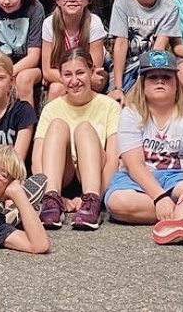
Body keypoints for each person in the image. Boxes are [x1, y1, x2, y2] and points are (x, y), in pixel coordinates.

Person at [106, 50, 183, 240]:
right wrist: (160, 198)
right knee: (117, 202)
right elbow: (134, 164)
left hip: (177, 176)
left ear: (176, 84)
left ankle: (177, 221)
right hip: (138, 178)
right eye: (153, 77)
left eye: (166, 77)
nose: (160, 81)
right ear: (143, 84)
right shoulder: (130, 113)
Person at [33, 49, 121, 230]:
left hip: (95, 177)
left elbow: (114, 159)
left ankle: (91, 202)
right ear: (61, 77)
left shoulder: (109, 106)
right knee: (57, 124)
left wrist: (97, 196)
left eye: (80, 73)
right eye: (67, 75)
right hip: (60, 175)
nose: (74, 81)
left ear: (92, 71)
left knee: (84, 128)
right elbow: (36, 159)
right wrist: (48, 194)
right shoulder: (52, 108)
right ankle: (52, 200)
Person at [109, 0, 182, 102]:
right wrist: (118, 87)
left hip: (150, 66)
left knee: (139, 100)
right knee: (116, 102)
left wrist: (138, 89)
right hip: (125, 66)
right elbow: (121, 43)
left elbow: (158, 50)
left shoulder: (170, 7)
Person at [41, 0, 110, 99]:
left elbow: (94, 70)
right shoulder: (49, 23)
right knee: (57, 88)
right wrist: (70, 79)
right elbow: (47, 71)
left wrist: (73, 79)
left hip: (87, 72)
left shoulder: (94, 22)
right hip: (64, 71)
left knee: (96, 82)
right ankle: (53, 119)